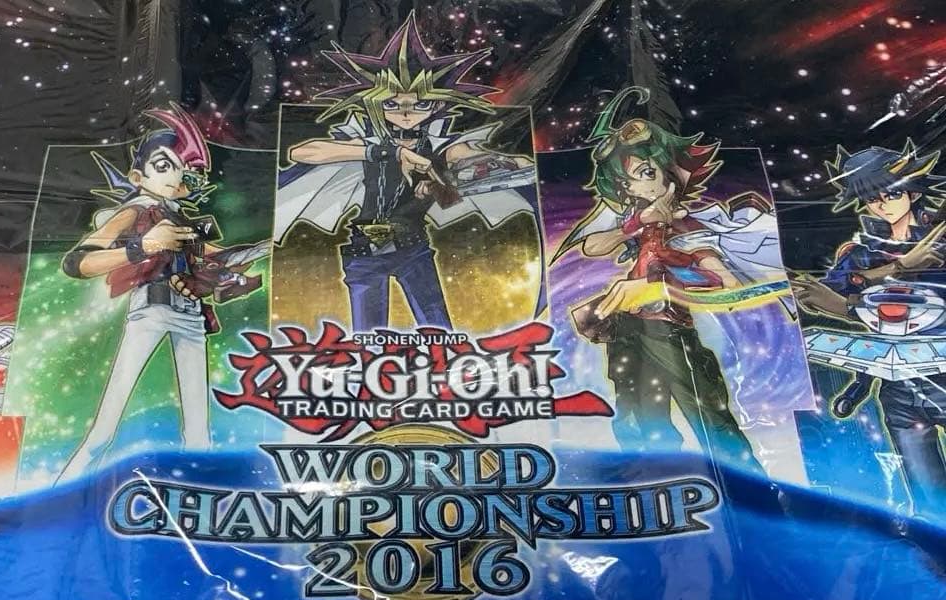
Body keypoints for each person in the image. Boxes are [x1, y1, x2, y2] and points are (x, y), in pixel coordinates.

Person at [554, 87, 789, 470]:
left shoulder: (684, 223)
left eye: (646, 174)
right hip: (628, 328)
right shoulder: (638, 222)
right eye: (628, 183)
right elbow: (593, 246)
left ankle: (746, 482)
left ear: (672, 174)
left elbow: (712, 266)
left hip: (669, 328)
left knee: (706, 412)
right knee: (637, 415)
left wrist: (718, 279)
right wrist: (635, 224)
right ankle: (654, 480)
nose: (636, 188)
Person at [275, 13, 536, 331]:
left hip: (414, 248)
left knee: (439, 331)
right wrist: (387, 152)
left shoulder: (439, 144)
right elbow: (303, 152)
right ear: (374, 105)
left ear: (436, 105)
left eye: (420, 104)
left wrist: (506, 162)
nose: (407, 112)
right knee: (368, 338)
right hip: (365, 252)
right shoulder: (368, 141)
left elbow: (466, 155)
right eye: (392, 104)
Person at [56, 105, 265, 483]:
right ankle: (64, 489)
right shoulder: (135, 211)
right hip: (150, 311)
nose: (174, 176)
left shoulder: (181, 220)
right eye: (164, 165)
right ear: (138, 175)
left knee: (199, 431)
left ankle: (205, 491)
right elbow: (77, 262)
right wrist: (142, 246)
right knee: (106, 425)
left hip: (192, 316)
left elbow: (217, 256)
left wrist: (259, 252)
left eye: (180, 169)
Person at [792, 141, 946, 513]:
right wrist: (898, 268)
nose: (881, 204)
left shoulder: (939, 241)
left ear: (913, 191)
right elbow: (825, 297)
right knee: (928, 498)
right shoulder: (861, 251)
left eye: (891, 193)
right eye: (871, 197)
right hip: (898, 390)